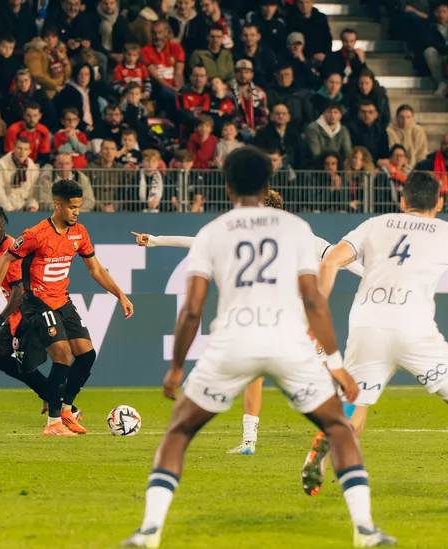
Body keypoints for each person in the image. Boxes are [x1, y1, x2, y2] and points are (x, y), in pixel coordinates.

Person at [119, 147, 395, 549]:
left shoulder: (216, 231)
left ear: (227, 186)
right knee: (338, 428)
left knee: (179, 431)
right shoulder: (297, 231)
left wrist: (177, 367)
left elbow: (192, 309)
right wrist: (335, 364)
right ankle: (366, 531)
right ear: (268, 184)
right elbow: (315, 300)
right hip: (289, 342)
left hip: (233, 341)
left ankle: (148, 532)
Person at [306, 172, 448, 512]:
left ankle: (324, 446)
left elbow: (330, 260)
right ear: (440, 202)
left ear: (402, 201)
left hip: (366, 327)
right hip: (414, 330)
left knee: (356, 413)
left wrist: (316, 312)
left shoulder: (375, 224)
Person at [130, 183, 365, 453]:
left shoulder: (270, 239)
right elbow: (339, 258)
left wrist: (157, 240)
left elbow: (199, 244)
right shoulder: (302, 238)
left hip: (288, 318)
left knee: (291, 374)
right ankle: (254, 440)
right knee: (281, 374)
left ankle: (331, 428)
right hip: (289, 319)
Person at [0, 180, 133, 436]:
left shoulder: (79, 233)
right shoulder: (36, 234)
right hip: (36, 304)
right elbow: (7, 256)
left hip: (63, 301)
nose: (76, 212)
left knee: (87, 355)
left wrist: (120, 295)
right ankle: (53, 424)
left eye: (79, 207)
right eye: (72, 207)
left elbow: (95, 269)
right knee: (63, 355)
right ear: (57, 204)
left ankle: (65, 408)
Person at [422, 1, 448, 97]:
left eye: (444, 12)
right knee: (429, 52)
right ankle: (442, 83)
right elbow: (430, 41)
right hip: (439, 56)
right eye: (438, 12)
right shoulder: (428, 25)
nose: (441, 15)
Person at [386, 104, 427, 170]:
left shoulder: (418, 131)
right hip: (395, 167)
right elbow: (392, 151)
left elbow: (422, 153)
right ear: (396, 117)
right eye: (401, 117)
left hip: (416, 167)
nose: (405, 120)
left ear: (412, 118)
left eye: (408, 117)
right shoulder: (390, 131)